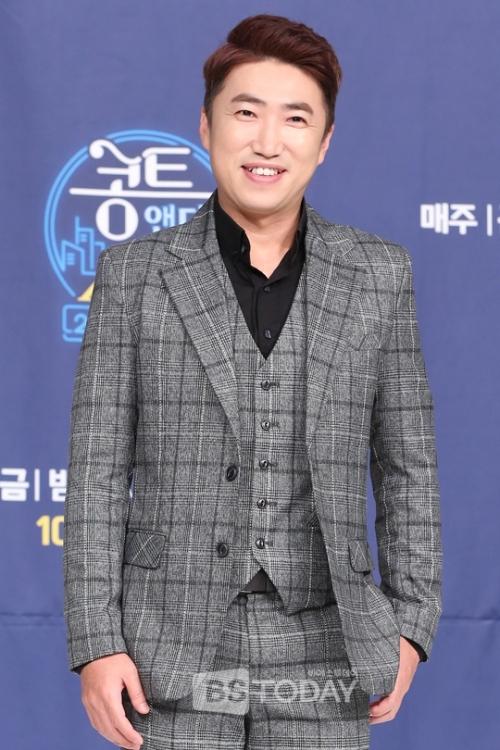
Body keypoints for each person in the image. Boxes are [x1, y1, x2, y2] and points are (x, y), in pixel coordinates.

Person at [63, 13, 442, 750]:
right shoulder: (134, 275)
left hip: (328, 645)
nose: (268, 142)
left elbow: (409, 466)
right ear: (206, 127)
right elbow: (97, 470)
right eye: (246, 113)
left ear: (324, 142)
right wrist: (96, 642)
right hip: (167, 646)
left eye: (295, 119)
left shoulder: (378, 274)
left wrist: (412, 625)